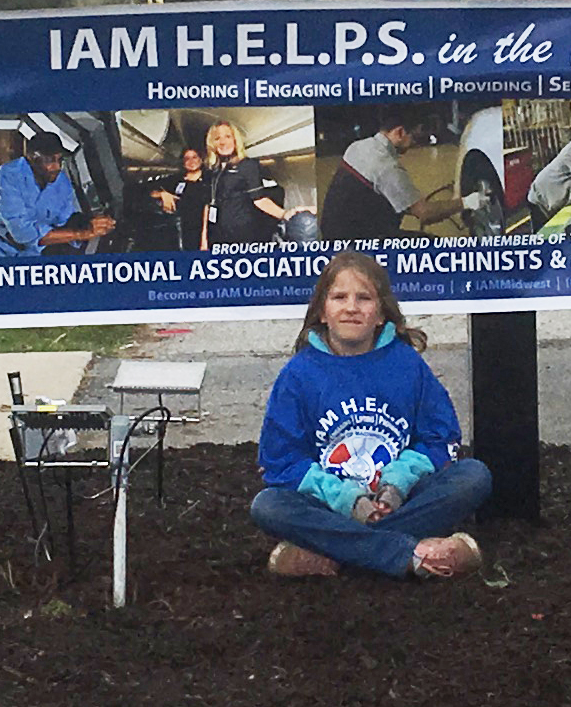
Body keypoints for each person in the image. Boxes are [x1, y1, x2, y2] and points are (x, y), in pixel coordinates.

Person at [251, 249, 493, 579]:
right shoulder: (299, 374)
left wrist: (396, 486)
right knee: (268, 505)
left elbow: (441, 439)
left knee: (473, 476)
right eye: (339, 297)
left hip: (401, 500)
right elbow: (281, 462)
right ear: (323, 311)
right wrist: (347, 501)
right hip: (330, 507)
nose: (351, 307)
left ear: (380, 313)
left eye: (364, 298)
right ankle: (414, 554)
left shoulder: (407, 365)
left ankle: (335, 552)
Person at [319, 110, 452, 243]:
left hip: (333, 238)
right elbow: (425, 214)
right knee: (433, 243)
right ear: (399, 132)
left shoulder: (357, 146)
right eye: (415, 138)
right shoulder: (387, 166)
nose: (415, 144)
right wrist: (465, 202)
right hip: (360, 244)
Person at [197, 118, 287, 249]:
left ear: (235, 140)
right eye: (217, 138)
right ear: (212, 144)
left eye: (228, 136)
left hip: (242, 236)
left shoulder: (248, 165)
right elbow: (208, 205)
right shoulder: (211, 170)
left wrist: (285, 215)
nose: (223, 142)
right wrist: (204, 240)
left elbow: (259, 199)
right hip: (215, 236)